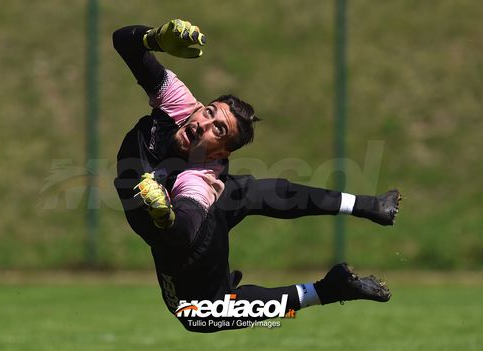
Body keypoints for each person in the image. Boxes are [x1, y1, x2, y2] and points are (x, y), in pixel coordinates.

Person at [113, 19, 401, 333]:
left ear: (219, 154)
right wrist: (153, 38)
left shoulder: (200, 177)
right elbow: (123, 42)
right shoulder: (180, 105)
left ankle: (330, 290)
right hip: (195, 219)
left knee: (198, 315)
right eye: (209, 112)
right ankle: (370, 207)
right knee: (250, 193)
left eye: (218, 130)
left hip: (186, 234)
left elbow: (184, 232)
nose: (203, 124)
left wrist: (165, 216)